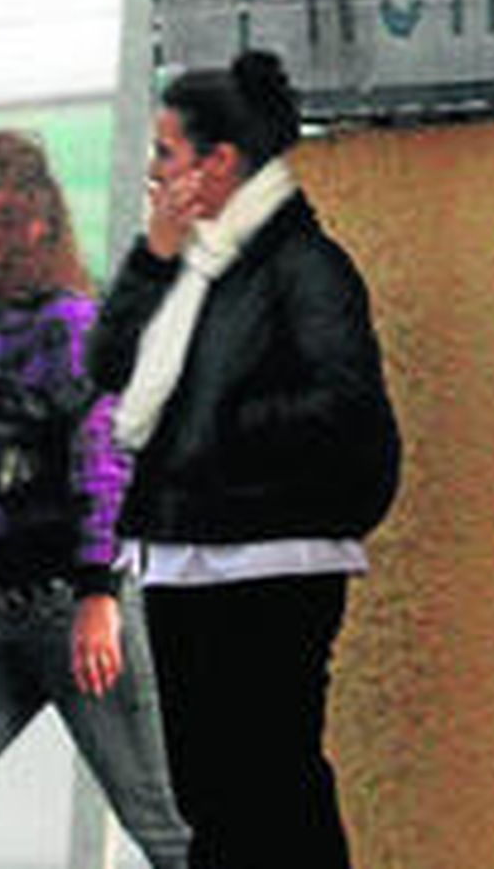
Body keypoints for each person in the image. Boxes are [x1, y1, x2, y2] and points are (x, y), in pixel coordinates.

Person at [86, 51, 400, 869]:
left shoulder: (305, 265)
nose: (154, 173)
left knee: (273, 779)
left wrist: (207, 428)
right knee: (202, 793)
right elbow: (107, 365)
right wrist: (152, 255)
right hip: (183, 554)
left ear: (218, 161)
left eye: (166, 153)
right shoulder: (191, 266)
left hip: (275, 556)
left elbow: (343, 401)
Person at [0, 131, 188, 869]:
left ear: (33, 221)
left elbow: (106, 460)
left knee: (162, 820)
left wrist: (97, 595)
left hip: (68, 605)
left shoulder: (70, 324)